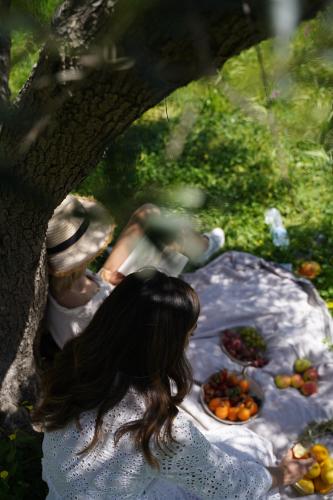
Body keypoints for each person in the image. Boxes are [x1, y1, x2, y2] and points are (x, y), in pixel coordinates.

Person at [34, 269, 313, 499]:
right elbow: (232, 486)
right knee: (252, 456)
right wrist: (283, 474)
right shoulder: (156, 426)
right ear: (168, 344)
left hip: (62, 490)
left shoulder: (75, 360)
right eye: (188, 335)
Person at [45, 194, 225, 349]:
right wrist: (131, 286)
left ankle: (197, 246)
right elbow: (129, 326)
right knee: (171, 241)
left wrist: (109, 280)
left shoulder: (65, 285)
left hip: (108, 290)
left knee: (147, 214)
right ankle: (201, 247)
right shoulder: (81, 303)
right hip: (125, 308)